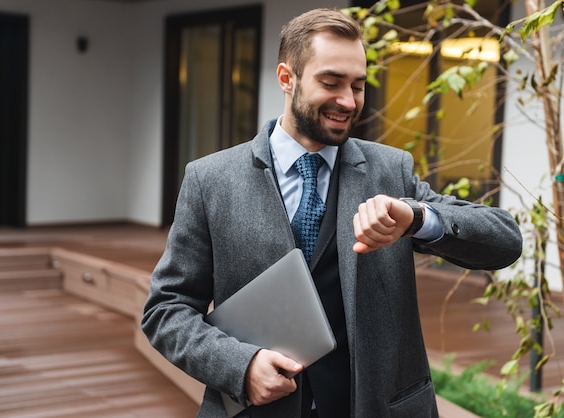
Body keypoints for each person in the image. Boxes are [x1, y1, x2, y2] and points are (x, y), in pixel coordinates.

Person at [141, 7, 522, 418]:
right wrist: (241, 366)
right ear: (287, 79)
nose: (348, 101)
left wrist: (417, 217)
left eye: (357, 85)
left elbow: (504, 241)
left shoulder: (390, 171)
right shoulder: (210, 180)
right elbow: (167, 310)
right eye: (331, 82)